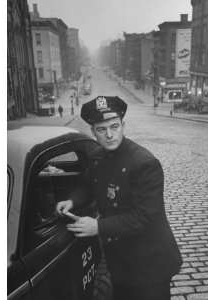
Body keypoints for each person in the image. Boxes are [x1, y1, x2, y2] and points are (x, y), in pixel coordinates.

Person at [56, 96, 182, 300]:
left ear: (123, 125)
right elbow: (88, 185)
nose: (109, 135)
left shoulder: (144, 163)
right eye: (101, 129)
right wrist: (72, 200)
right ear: (93, 132)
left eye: (114, 126)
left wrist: (98, 227)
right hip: (120, 261)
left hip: (149, 264)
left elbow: (144, 217)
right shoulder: (97, 157)